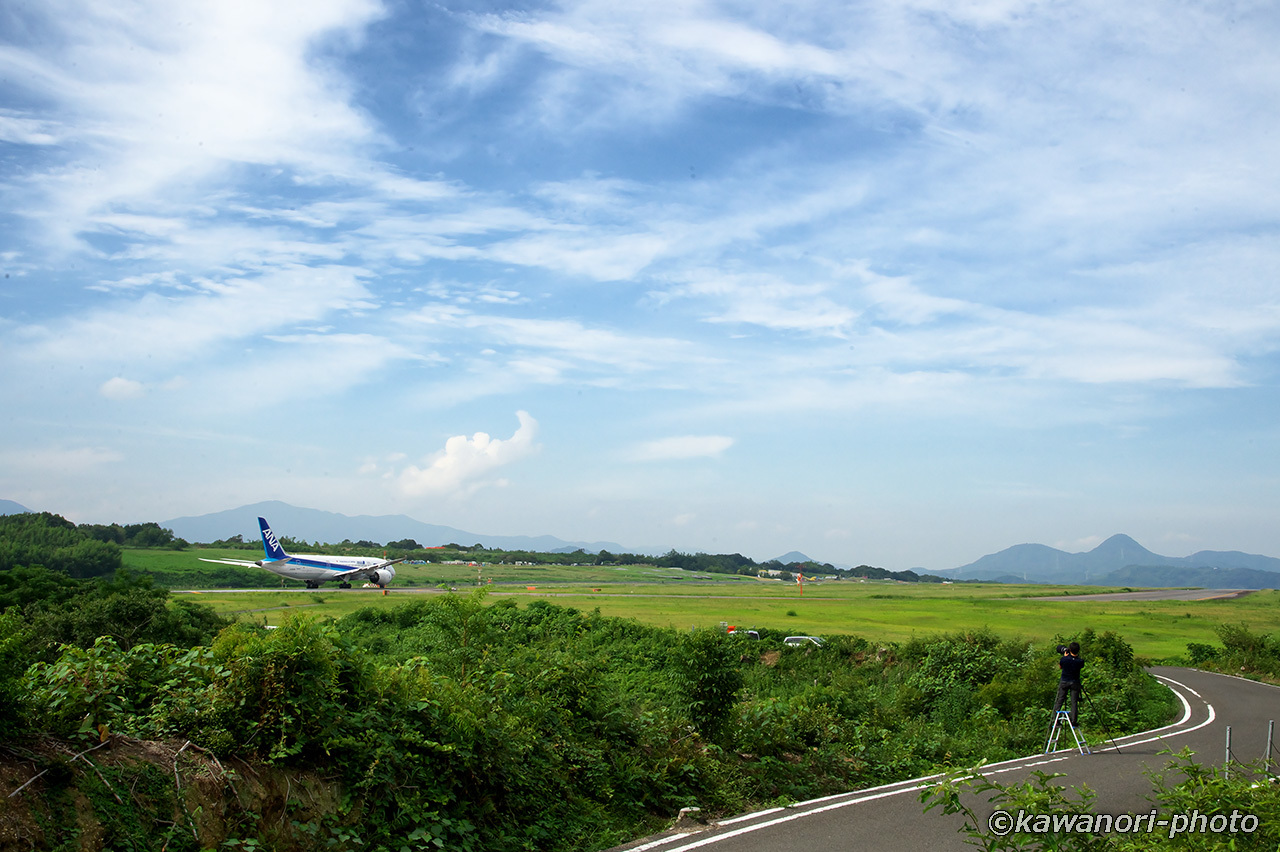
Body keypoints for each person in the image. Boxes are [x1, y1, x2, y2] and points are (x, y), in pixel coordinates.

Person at [1052, 641, 1084, 726]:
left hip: (1064, 682)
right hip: (1075, 683)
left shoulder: (1064, 659)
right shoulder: (1080, 661)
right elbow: (1079, 664)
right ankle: (1073, 720)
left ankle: (1055, 719)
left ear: (1069, 650)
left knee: (1060, 700)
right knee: (1074, 702)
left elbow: (1060, 666)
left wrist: (1065, 657)